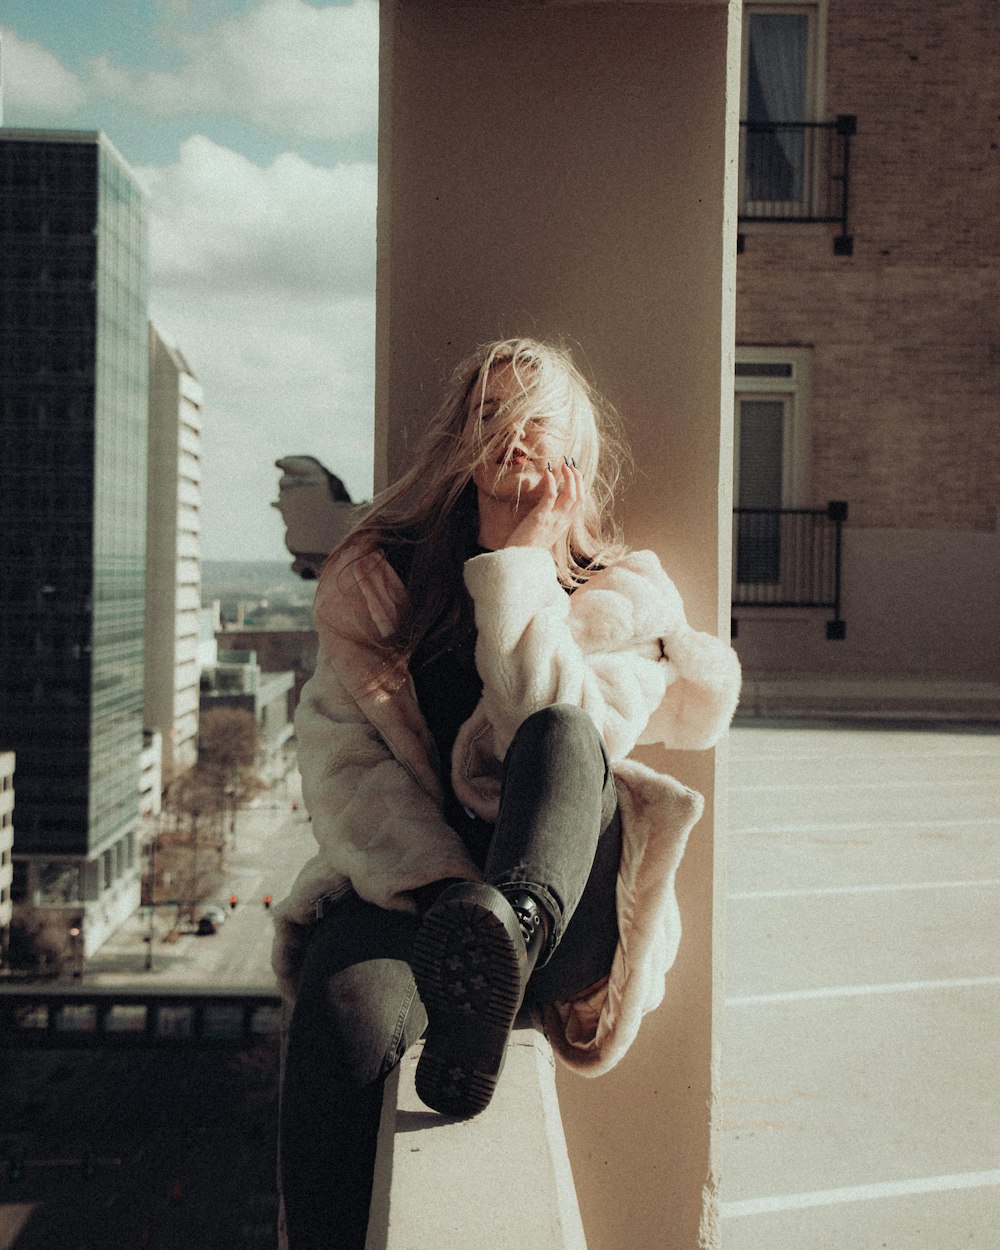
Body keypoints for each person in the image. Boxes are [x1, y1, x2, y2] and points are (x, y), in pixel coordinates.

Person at [272, 338, 741, 1249]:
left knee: (562, 733)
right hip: (418, 898)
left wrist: (519, 564)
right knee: (344, 1013)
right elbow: (345, 766)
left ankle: (505, 939)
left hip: (563, 916)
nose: (514, 441)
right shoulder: (382, 588)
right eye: (491, 417)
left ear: (578, 458)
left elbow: (565, 732)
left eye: (537, 423)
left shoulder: (619, 595)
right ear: (459, 440)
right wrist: (447, 893)